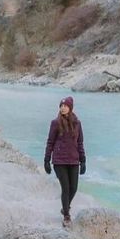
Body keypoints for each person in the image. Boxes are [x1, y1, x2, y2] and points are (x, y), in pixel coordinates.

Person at [44, 96, 87, 227]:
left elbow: (80, 143)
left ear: (70, 107)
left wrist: (83, 160)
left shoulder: (77, 124)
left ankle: (65, 207)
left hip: (73, 160)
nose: (62, 108)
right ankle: (66, 216)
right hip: (59, 161)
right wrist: (46, 160)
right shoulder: (55, 123)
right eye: (61, 106)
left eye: (65, 106)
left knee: (74, 188)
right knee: (66, 188)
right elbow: (50, 142)